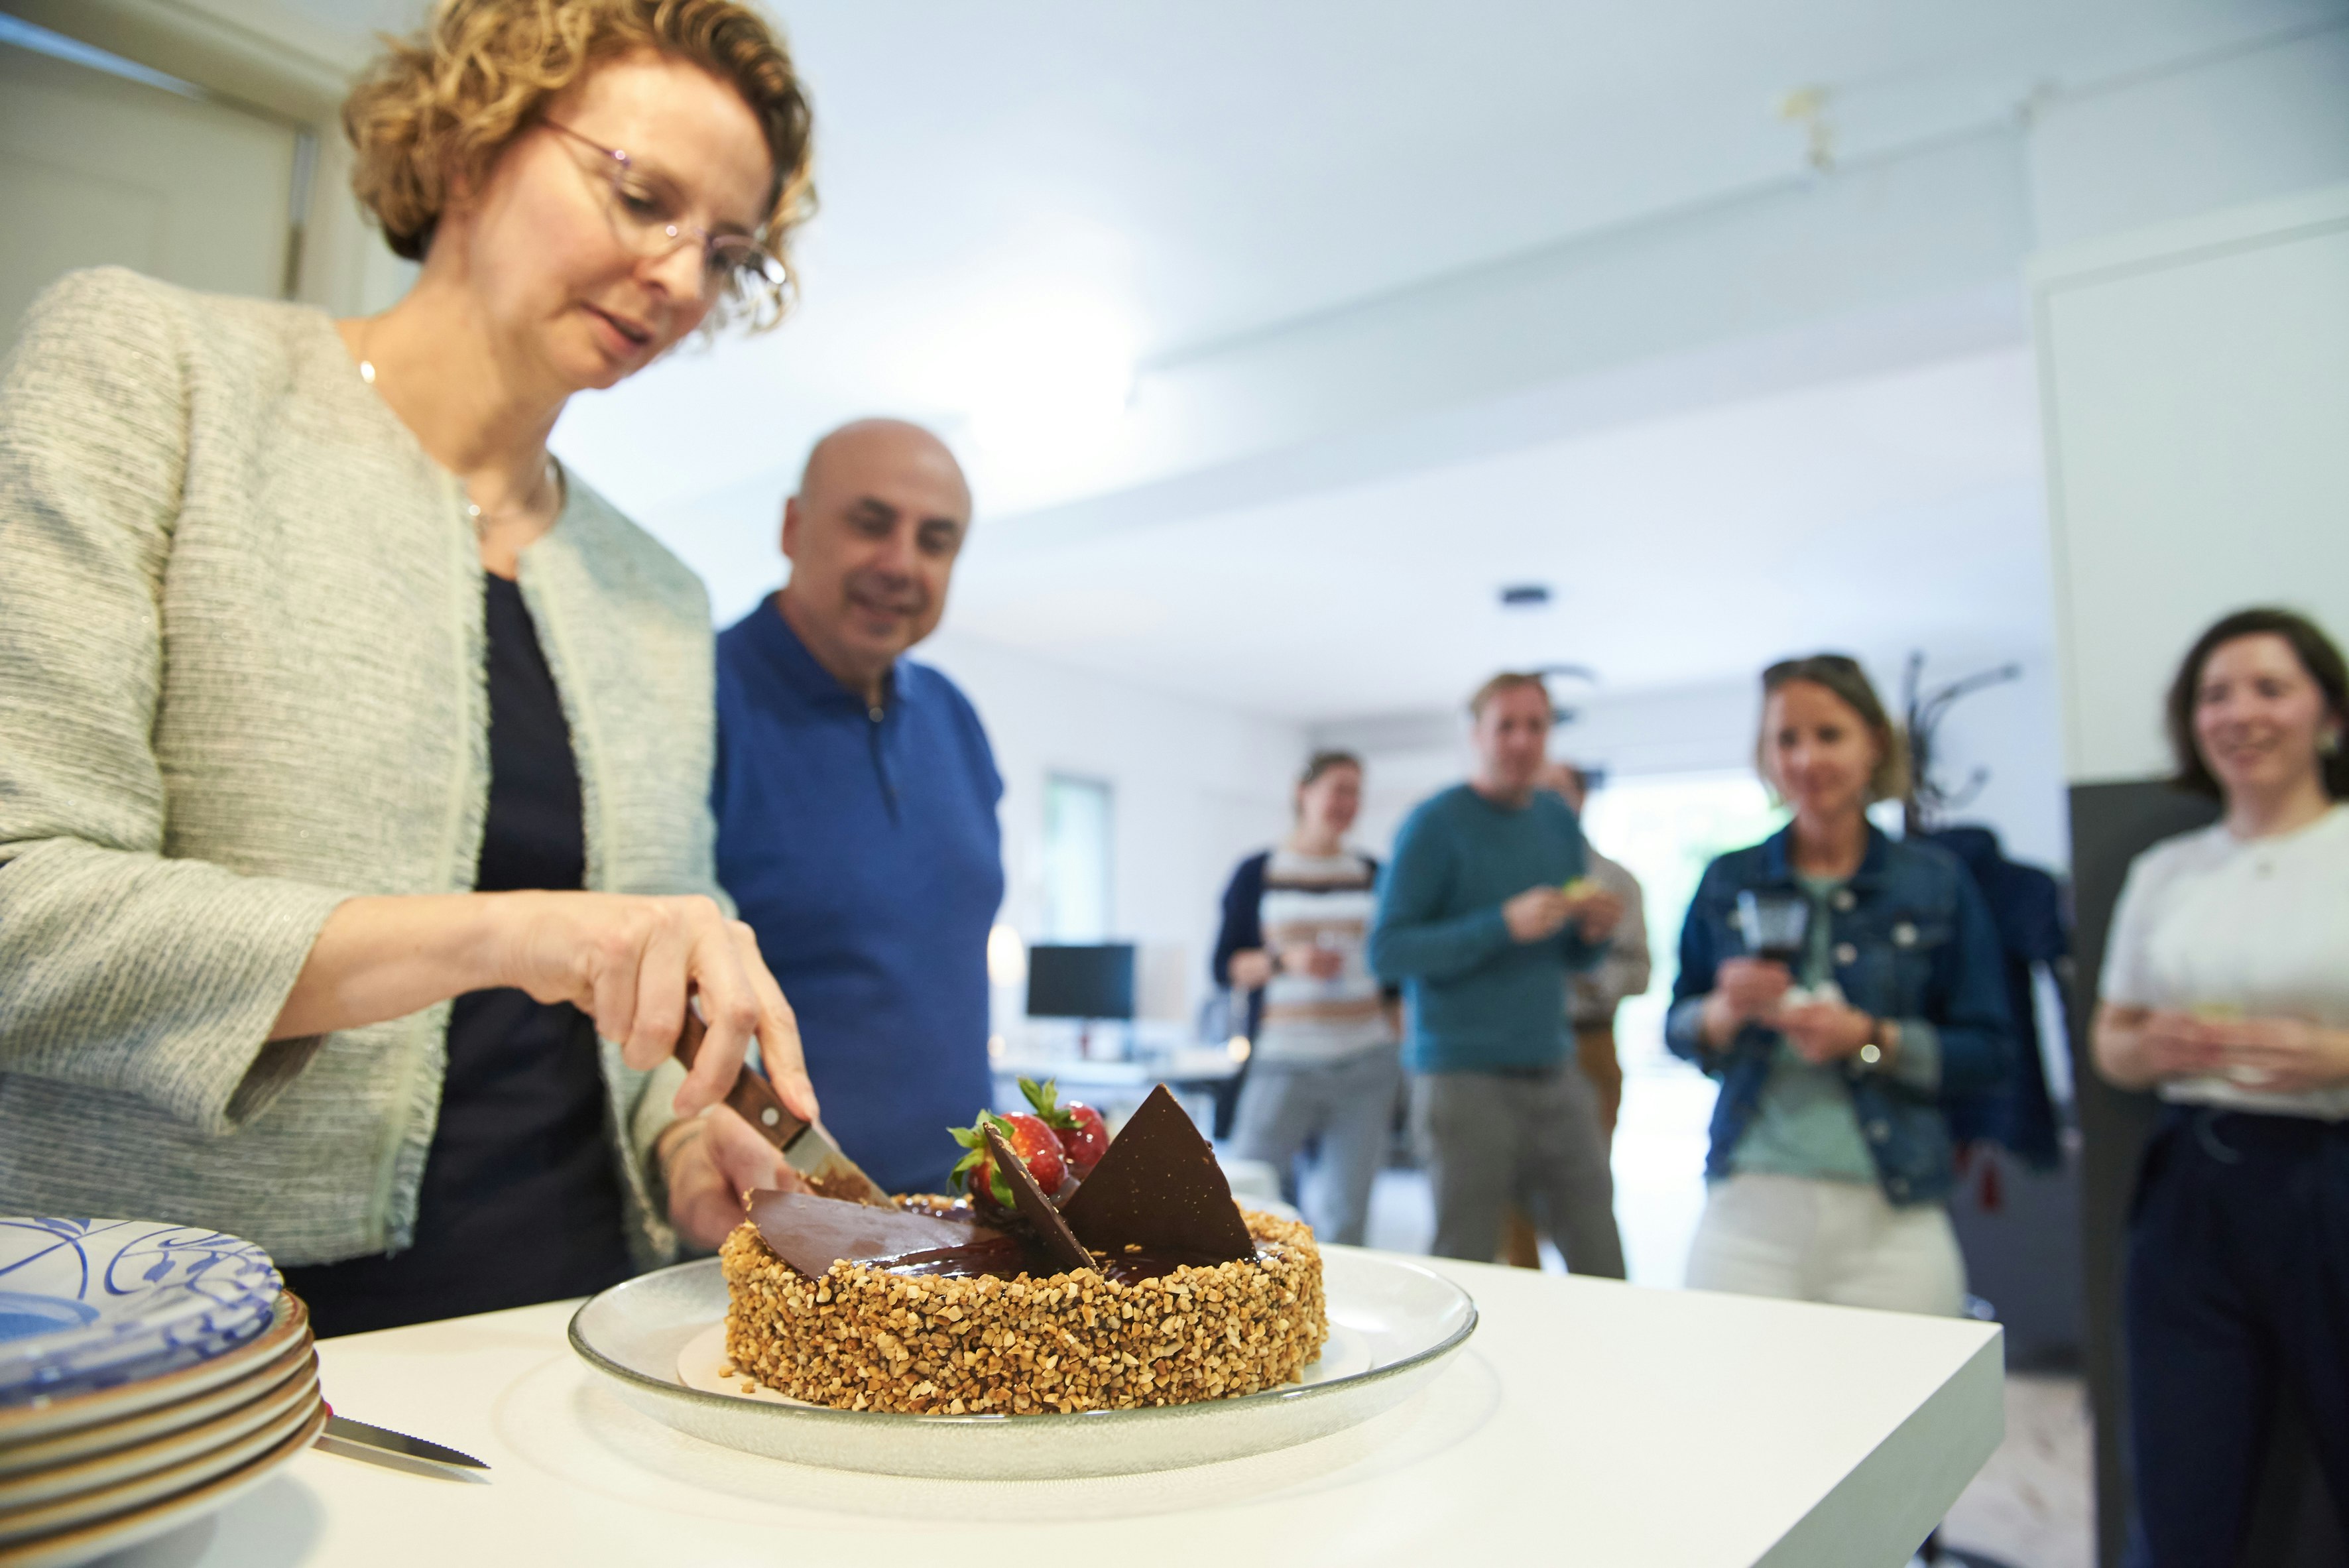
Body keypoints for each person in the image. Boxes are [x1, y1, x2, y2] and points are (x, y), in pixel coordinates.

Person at [0, 0, 824, 1335]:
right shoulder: (157, 374)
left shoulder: (655, 595)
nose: (679, 278)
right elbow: (21, 907)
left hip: (571, 1330)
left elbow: (647, 982)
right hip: (176, 1346)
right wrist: (509, 930)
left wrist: (681, 1143)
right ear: (469, 144)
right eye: (642, 196)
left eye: (725, 252)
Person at [2091, 608, 2349, 1567]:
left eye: (2267, 688)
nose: (2238, 712)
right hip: (2187, 1185)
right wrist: (2151, 1046)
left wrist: (2333, 1058)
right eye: (2213, 694)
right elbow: (2109, 1044)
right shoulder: (2165, 872)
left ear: (2326, 710)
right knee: (2180, 1478)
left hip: (2326, 1169)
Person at [1666, 655, 2011, 1315]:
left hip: (1893, 1206)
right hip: (1749, 1203)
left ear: (1873, 742)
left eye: (1829, 735)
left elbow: (1990, 1052)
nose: (1806, 759)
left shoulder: (1935, 882)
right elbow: (1679, 1026)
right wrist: (1722, 1011)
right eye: (1786, 739)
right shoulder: (1727, 880)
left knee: (1908, 1405)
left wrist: (1870, 1038)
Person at [713, 420, 1002, 1195]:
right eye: (871, 524)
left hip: (960, 1214)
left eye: (935, 541)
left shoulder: (954, 718)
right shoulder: (699, 700)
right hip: (770, 1220)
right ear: (792, 527)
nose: (901, 564)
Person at [1368, 673, 1628, 1274]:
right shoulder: (1433, 824)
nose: (1521, 740)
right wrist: (1501, 924)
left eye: (1535, 725)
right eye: (1505, 725)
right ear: (1475, 735)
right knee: (1466, 1259)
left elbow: (1567, 956)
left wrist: (1590, 934)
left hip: (1553, 1064)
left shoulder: (1556, 822)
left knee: (1600, 1247)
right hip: (1462, 1077)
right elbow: (1386, 952)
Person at [1212, 751, 1402, 1246]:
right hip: (1282, 1062)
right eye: (1338, 788)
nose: (1347, 802)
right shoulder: (1258, 871)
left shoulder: (1372, 872)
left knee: (1346, 1213)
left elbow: (1393, 973)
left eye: (1356, 792)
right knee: (1248, 1197)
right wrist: (1284, 960)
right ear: (1304, 791)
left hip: (1365, 1064)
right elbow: (1225, 967)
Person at [1500, 760, 1650, 1268]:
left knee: (1581, 1189)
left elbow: (1640, 970)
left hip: (1586, 1042)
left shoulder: (1614, 881)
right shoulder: (1503, 880)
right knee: (1507, 1188)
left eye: (1558, 791)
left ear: (1581, 800)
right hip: (1510, 1046)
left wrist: (1583, 976)